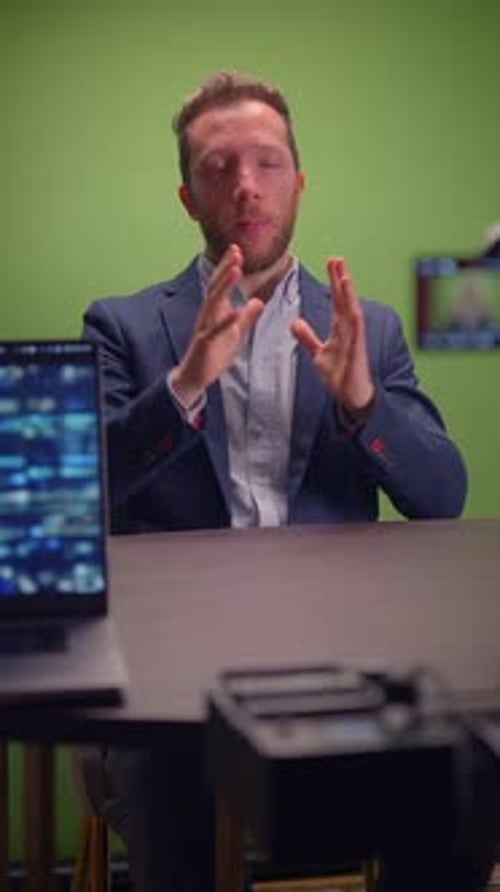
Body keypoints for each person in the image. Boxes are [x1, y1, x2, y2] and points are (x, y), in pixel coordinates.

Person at [80, 71, 496, 892]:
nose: (245, 186)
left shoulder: (366, 326)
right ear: (187, 196)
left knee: (460, 783)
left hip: (345, 653)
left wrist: (363, 402)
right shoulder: (121, 326)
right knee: (171, 799)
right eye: (218, 167)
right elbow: (81, 495)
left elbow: (442, 498)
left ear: (299, 182)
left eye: (268, 163)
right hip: (176, 666)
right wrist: (184, 388)